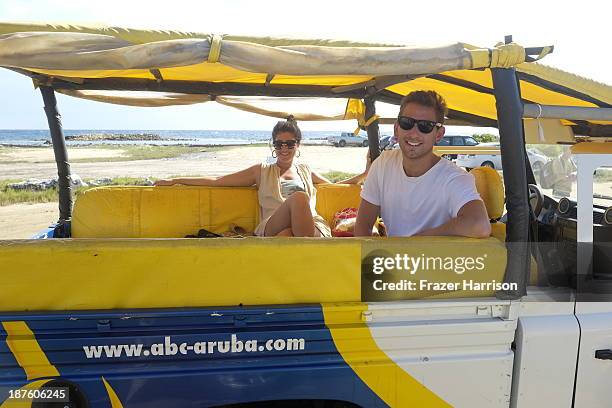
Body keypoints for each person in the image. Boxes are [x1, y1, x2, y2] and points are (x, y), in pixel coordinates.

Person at [155, 118, 369, 237]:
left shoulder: (305, 169)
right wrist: (176, 180)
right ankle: (312, 258)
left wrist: (366, 173)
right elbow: (218, 181)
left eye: (290, 144)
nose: (284, 149)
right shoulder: (261, 170)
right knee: (300, 199)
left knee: (286, 236)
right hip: (272, 224)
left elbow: (335, 186)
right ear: (273, 146)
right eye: (279, 144)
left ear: (298, 145)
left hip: (310, 226)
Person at [354, 90, 491, 238]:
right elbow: (363, 225)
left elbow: (479, 225)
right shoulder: (383, 164)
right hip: (394, 259)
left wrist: (418, 241)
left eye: (425, 126)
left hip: (434, 260)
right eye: (407, 123)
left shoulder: (454, 178)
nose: (414, 133)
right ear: (396, 128)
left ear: (438, 134)